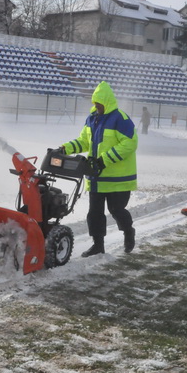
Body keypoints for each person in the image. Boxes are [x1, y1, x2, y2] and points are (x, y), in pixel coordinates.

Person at [59, 81, 138, 257]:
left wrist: (105, 160)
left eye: (99, 103)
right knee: (94, 213)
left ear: (107, 102)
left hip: (118, 178)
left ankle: (128, 232)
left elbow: (130, 143)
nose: (96, 106)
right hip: (96, 176)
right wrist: (65, 148)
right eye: (95, 103)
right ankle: (98, 245)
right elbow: (84, 142)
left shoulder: (120, 119)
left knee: (116, 210)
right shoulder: (92, 119)